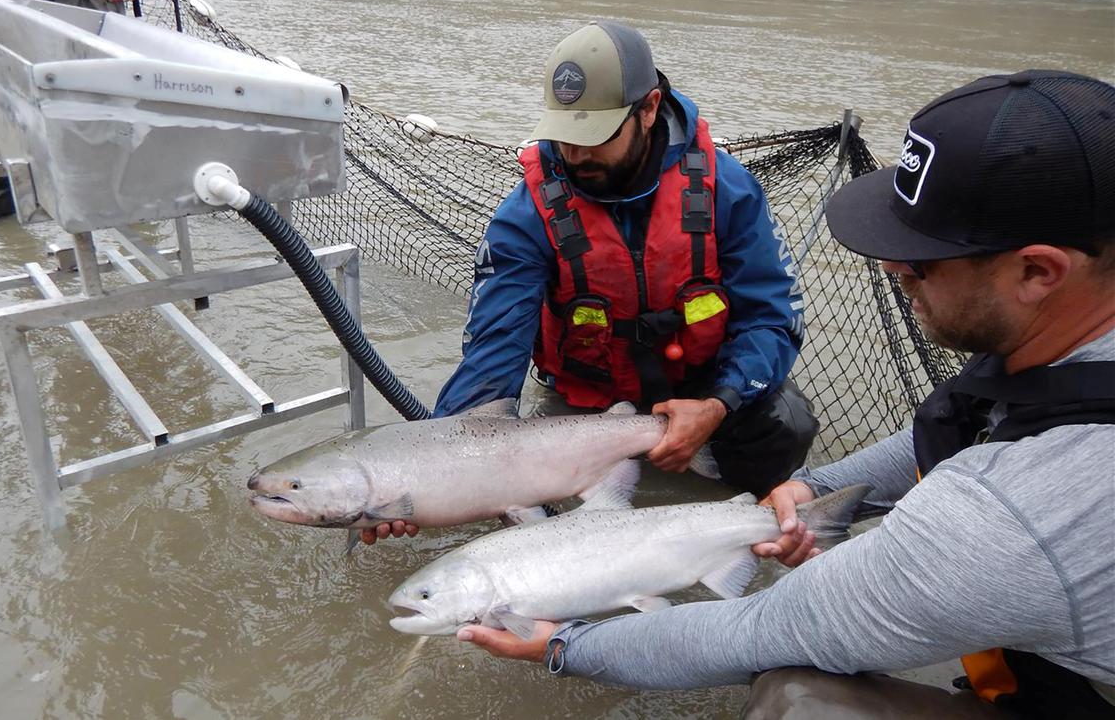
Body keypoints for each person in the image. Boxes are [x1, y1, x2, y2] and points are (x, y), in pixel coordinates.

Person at [455, 69, 1115, 719]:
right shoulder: (1068, 341)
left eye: (922, 255)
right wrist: (815, 486)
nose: (890, 268)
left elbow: (762, 628)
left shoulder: (1005, 515)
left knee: (802, 701)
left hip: (715, 398)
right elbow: (491, 354)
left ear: (1038, 271)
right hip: (595, 401)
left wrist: (565, 643)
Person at [365, 21, 816, 544]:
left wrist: (718, 404)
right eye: (565, 136)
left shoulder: (728, 191)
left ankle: (748, 531)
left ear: (648, 109)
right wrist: (430, 477)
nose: (575, 156)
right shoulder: (526, 214)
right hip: (586, 403)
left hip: (703, 389)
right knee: (542, 528)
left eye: (595, 136)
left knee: (788, 423)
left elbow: (771, 318)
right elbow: (492, 353)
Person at [0, 0, 165, 217]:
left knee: (114, 106)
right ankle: (2, 206)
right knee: (3, 96)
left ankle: (130, 208)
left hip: (95, 3)